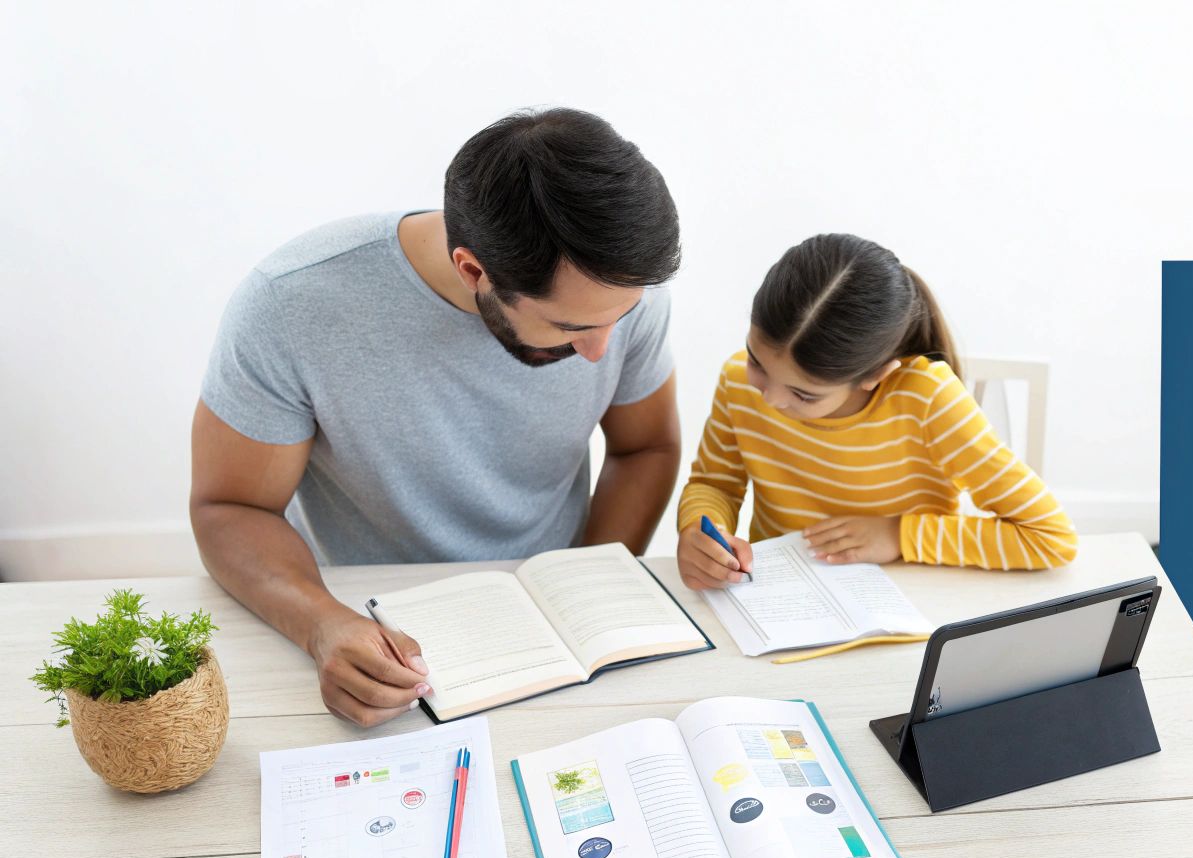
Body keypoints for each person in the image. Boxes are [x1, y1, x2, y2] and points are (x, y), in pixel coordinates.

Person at [190, 108, 684, 727]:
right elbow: (230, 509)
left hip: (555, 624)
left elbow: (644, 450)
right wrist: (322, 623)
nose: (600, 349)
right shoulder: (290, 304)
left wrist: (583, 587)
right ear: (473, 270)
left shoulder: (613, 288)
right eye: (571, 327)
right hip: (371, 625)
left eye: (623, 317)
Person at [676, 232, 1076, 590]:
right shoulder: (736, 383)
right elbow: (715, 485)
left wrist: (899, 537)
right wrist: (699, 530)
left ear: (876, 375)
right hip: (780, 605)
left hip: (914, 604)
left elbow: (1050, 537)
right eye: (756, 362)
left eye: (804, 394)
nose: (770, 399)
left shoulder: (928, 400)